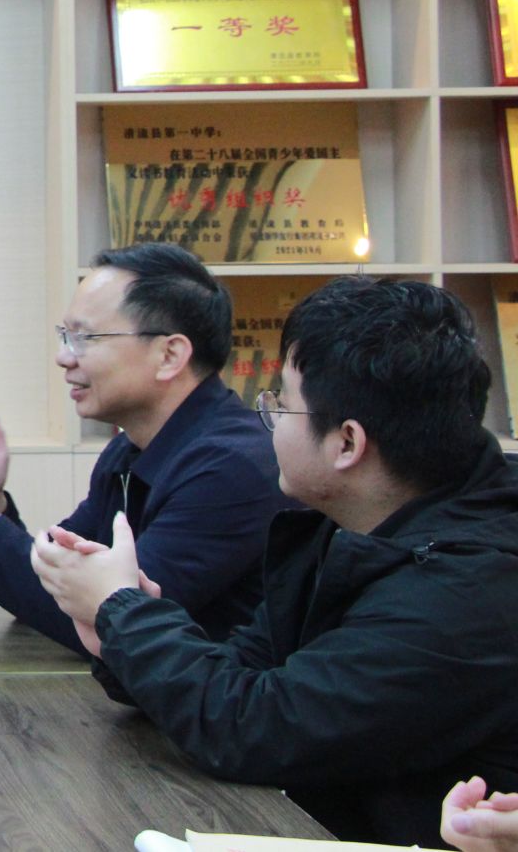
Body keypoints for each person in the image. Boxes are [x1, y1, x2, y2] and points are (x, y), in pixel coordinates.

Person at [31, 275, 518, 847]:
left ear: (347, 443)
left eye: (281, 405)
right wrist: (122, 631)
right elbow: (243, 674)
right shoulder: (346, 524)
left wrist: (123, 611)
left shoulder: (465, 590)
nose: (267, 420)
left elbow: (256, 728)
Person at [0, 242, 289, 655]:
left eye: (84, 337)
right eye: (65, 336)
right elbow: (55, 589)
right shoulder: (128, 450)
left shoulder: (232, 468)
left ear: (169, 355)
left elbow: (111, 624)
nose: (63, 357)